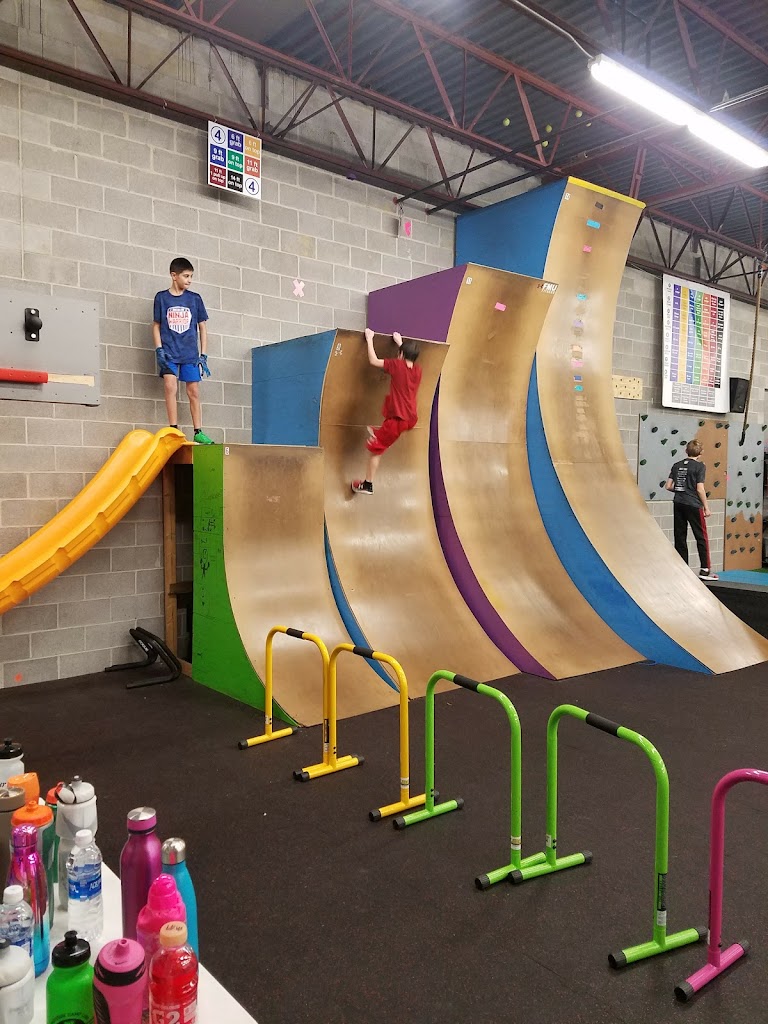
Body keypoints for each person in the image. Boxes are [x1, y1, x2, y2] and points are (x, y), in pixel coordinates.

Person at [352, 328, 421, 495]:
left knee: (376, 450)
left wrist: (370, 338)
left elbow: (374, 360)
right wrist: (400, 343)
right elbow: (406, 361)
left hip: (397, 420)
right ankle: (378, 434)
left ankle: (367, 485)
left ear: (401, 355)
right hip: (410, 418)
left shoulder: (397, 365)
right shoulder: (418, 370)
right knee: (383, 433)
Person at [153, 256, 214, 444]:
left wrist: (203, 354)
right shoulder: (162, 298)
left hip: (189, 354)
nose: (189, 280)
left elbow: (202, 327)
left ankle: (198, 431)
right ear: (174, 276)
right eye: (186, 276)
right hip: (169, 353)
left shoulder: (195, 299)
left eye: (191, 276)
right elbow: (156, 325)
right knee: (170, 386)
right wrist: (159, 349)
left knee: (193, 391)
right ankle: (173, 430)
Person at [665, 438, 718, 580]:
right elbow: (700, 489)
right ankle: (705, 569)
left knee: (680, 536)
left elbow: (668, 486)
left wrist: (681, 491)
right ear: (701, 453)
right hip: (693, 504)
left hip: (678, 503)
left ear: (686, 451)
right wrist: (706, 507)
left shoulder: (676, 465)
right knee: (701, 536)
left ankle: (682, 568)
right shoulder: (700, 467)